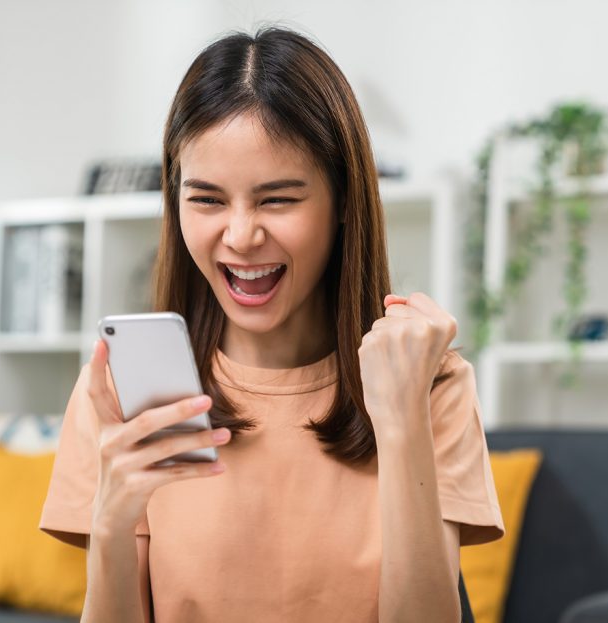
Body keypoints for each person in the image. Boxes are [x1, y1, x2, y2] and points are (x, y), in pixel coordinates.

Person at [39, 24, 504, 623]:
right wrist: (110, 522)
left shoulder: (430, 382)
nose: (239, 236)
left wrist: (402, 420)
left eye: (277, 199)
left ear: (343, 203)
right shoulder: (119, 392)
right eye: (206, 199)